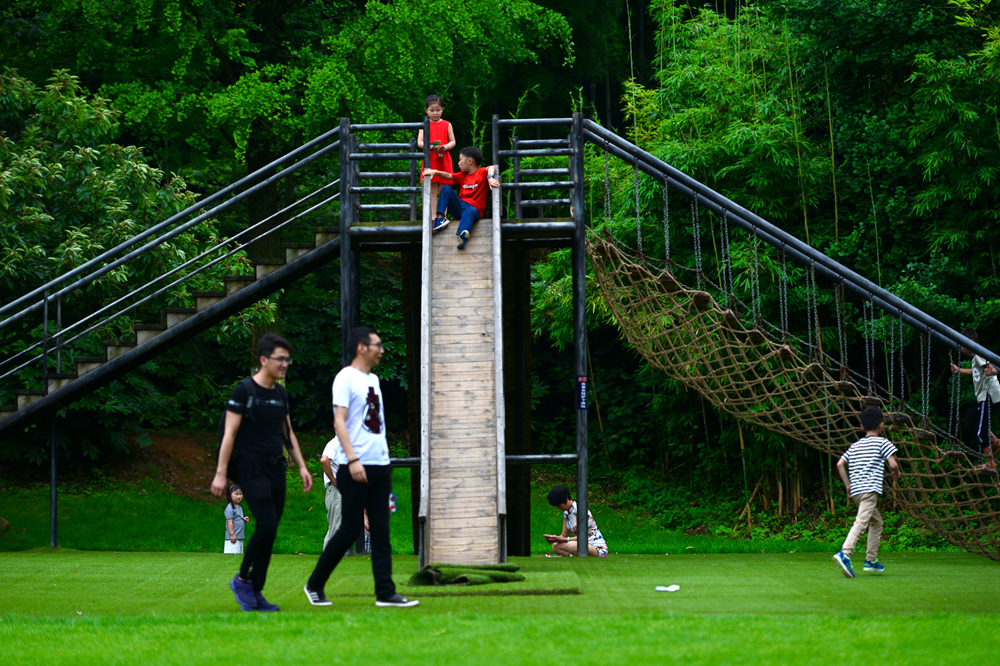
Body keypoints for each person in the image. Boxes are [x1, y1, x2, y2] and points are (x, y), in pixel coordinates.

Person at [303, 327, 418, 608]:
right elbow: (339, 422)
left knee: (380, 529)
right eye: (377, 345)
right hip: (356, 466)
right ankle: (314, 584)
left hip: (380, 465)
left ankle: (386, 593)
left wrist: (385, 460)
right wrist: (352, 460)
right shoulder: (345, 378)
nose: (382, 349)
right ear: (361, 348)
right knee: (349, 529)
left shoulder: (374, 380)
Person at [211, 333, 314, 612]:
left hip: (274, 466)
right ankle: (243, 579)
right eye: (280, 359)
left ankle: (255, 592)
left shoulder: (280, 392)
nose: (285, 364)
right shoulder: (244, 391)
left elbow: (287, 432)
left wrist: (302, 466)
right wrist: (221, 473)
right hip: (249, 465)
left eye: (287, 359)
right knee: (266, 524)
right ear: (263, 360)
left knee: (270, 530)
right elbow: (229, 434)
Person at [833, 406, 901, 578]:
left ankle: (871, 561)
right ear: (881, 425)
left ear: (862, 427)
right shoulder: (882, 442)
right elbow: (893, 464)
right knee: (861, 523)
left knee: (877, 522)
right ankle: (845, 554)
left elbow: (840, 463)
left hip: (856, 492)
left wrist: (848, 485)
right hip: (870, 491)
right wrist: (896, 472)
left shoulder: (855, 446)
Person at [422, 146, 500, 249]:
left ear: (470, 161)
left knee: (469, 212)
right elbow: (449, 175)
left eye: (460, 160)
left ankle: (462, 235)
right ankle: (440, 219)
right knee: (446, 188)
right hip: (459, 207)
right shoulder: (463, 175)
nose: (458, 163)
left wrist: (490, 178)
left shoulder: (481, 172)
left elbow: (491, 167)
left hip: (474, 209)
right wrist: (435, 172)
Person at [949, 328, 999, 475]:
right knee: (971, 419)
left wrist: (994, 371)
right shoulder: (976, 358)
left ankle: (991, 462)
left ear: (971, 343)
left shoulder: (979, 354)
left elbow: (992, 368)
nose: (962, 348)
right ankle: (995, 442)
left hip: (987, 394)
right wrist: (959, 370)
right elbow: (976, 370)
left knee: (980, 432)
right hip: (984, 396)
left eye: (963, 344)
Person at [416, 94, 456, 223]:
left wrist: (445, 147)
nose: (435, 113)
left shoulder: (447, 124)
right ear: (426, 110)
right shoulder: (424, 125)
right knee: (432, 189)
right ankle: (433, 216)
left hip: (443, 159)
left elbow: (453, 141)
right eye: (432, 110)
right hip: (430, 159)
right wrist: (430, 146)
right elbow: (420, 143)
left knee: (444, 188)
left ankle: (442, 215)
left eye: (438, 110)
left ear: (442, 109)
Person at [543, 485, 608, 557]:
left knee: (571, 545)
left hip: (594, 545)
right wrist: (555, 538)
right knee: (556, 546)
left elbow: (582, 537)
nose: (558, 508)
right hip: (579, 544)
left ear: (566, 499)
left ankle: (577, 555)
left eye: (559, 505)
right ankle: (575, 556)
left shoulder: (580, 511)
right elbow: (564, 535)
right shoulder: (566, 513)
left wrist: (562, 539)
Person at [320, 437, 343, 551]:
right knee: (336, 528)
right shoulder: (334, 444)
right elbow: (324, 460)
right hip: (336, 491)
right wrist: (334, 480)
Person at [224, 484, 250, 554]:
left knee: (239, 555)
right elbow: (229, 522)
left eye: (240, 494)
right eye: (236, 494)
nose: (239, 496)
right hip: (233, 538)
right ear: (229, 496)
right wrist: (232, 535)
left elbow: (237, 518)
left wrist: (243, 519)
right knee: (232, 555)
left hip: (240, 537)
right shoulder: (230, 508)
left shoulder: (239, 507)